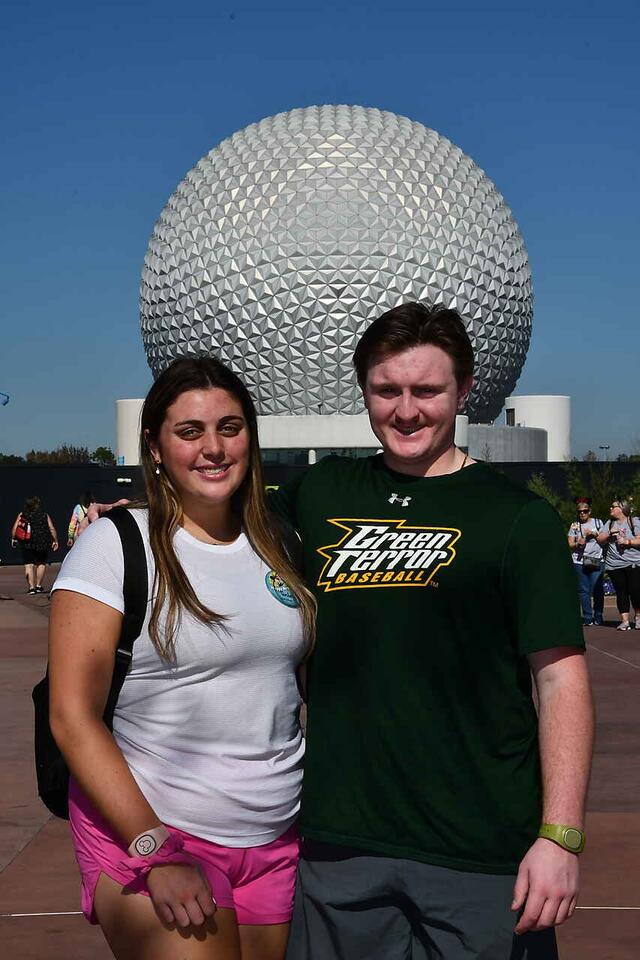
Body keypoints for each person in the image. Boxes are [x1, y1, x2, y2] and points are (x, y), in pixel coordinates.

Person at [267, 302, 594, 960]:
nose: (406, 411)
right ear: (363, 390)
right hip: (341, 845)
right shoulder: (322, 491)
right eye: (387, 391)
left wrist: (560, 836)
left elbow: (560, 682)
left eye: (427, 391)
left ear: (466, 390)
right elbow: (210, 532)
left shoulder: (517, 521)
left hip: (482, 852)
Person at [48, 357, 316, 960]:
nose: (214, 448)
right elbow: (71, 716)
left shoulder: (282, 542)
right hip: (153, 830)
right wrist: (155, 849)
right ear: (156, 445)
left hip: (274, 840)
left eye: (230, 427)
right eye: (189, 432)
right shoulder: (115, 546)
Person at [596, 497, 640, 631]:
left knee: (636, 591)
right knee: (621, 592)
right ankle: (625, 621)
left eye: (613, 506)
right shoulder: (609, 523)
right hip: (614, 564)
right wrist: (609, 533)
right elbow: (600, 540)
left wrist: (627, 542)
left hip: (633, 562)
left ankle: (638, 617)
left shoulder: (634, 521)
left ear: (621, 509)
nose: (611, 508)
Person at [567, 498, 604, 626]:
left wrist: (593, 534)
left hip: (596, 559)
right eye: (580, 511)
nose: (582, 513)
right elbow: (570, 544)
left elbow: (603, 541)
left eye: (585, 511)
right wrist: (578, 543)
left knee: (597, 588)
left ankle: (598, 616)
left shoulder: (598, 523)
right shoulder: (574, 525)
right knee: (583, 590)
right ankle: (588, 618)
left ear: (590, 511)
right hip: (579, 561)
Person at [11, 496, 58, 594]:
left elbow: (15, 528)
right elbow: (51, 528)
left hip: (26, 542)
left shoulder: (22, 515)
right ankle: (38, 586)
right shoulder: (44, 515)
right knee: (41, 563)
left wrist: (13, 538)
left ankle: (31, 588)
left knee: (29, 565)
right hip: (42, 542)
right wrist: (55, 540)